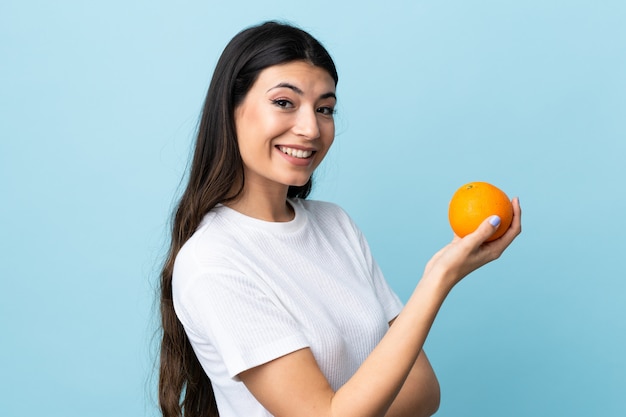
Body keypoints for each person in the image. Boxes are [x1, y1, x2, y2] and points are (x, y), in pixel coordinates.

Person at [157, 21, 522, 417]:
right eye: (284, 102)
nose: (311, 128)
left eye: (325, 109)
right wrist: (438, 279)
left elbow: (424, 390)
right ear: (230, 108)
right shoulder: (214, 262)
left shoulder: (335, 225)